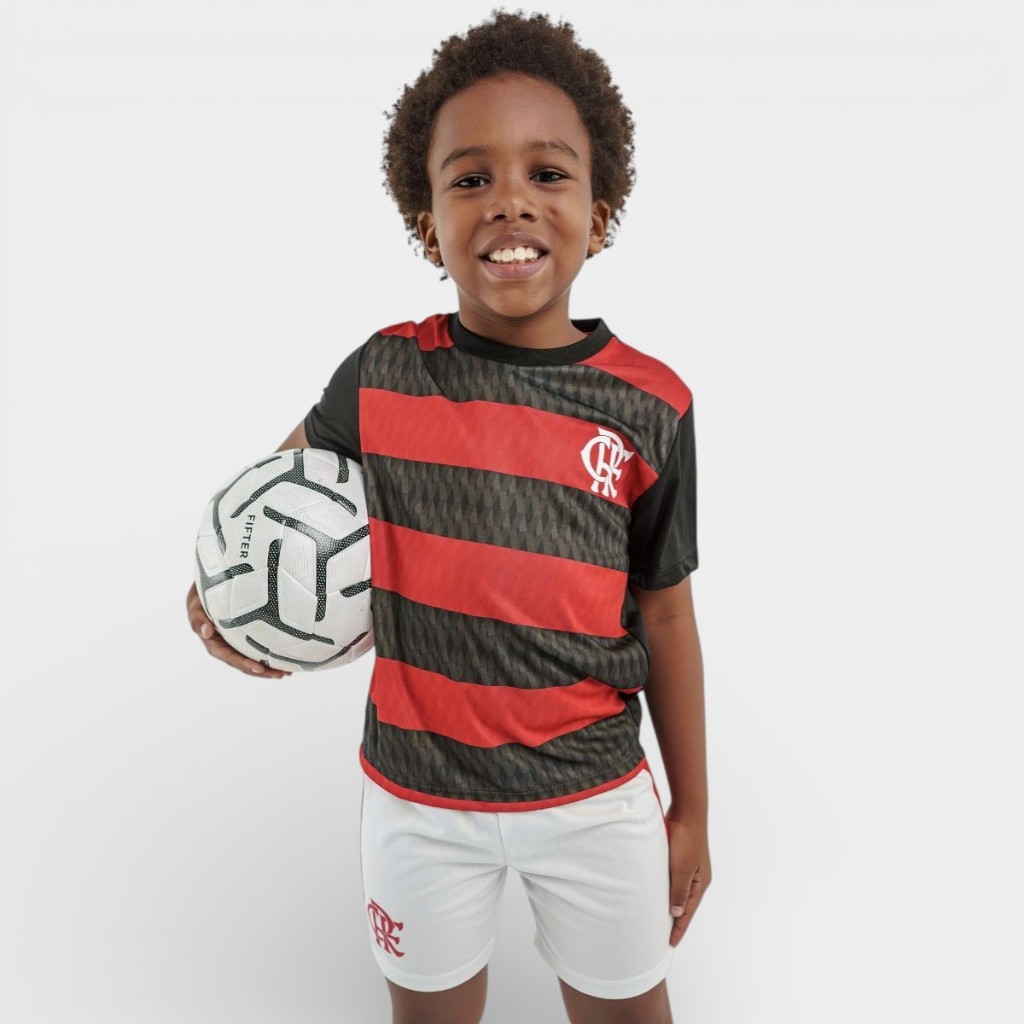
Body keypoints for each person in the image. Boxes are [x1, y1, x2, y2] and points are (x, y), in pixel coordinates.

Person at [186, 11, 710, 1024]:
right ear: (427, 224)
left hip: (592, 796)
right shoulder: (382, 374)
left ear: (599, 214)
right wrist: (225, 598)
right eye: (470, 178)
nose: (509, 199)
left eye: (546, 173)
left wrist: (691, 809)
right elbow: (269, 507)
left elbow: (668, 613)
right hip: (417, 800)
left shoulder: (651, 405)